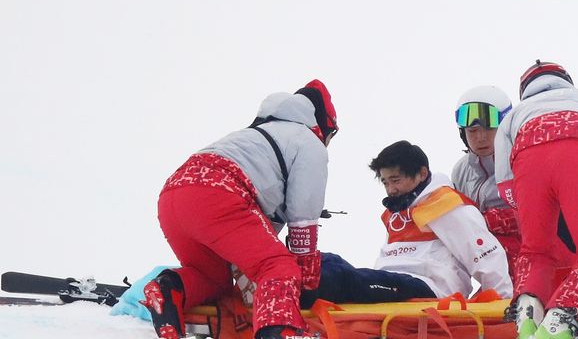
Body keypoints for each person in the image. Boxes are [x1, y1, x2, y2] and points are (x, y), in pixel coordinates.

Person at [141, 80, 339, 339]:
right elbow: (303, 218)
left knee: (213, 280)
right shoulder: (308, 142)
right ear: (324, 125)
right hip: (219, 192)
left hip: (174, 197)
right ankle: (278, 331)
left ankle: (170, 289)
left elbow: (257, 232)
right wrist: (307, 283)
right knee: (279, 266)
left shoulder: (252, 137)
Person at [495, 61, 578, 339]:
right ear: (566, 80)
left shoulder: (513, 117)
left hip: (526, 161)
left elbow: (507, 188)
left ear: (524, 91)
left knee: (535, 252)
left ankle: (527, 316)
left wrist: (548, 213)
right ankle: (559, 324)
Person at [301, 140, 513, 308]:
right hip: (391, 281)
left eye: (396, 180)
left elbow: (487, 257)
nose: (390, 189)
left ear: (421, 174)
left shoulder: (445, 205)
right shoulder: (397, 212)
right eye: (385, 182)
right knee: (323, 261)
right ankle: (285, 280)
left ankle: (294, 293)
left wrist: (500, 309)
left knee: (339, 278)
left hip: (428, 286)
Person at [450, 86, 521, 276]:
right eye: (472, 131)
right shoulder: (461, 171)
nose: (480, 138)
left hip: (530, 260)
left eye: (489, 129)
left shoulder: (521, 162)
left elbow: (541, 216)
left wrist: (490, 220)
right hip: (488, 261)